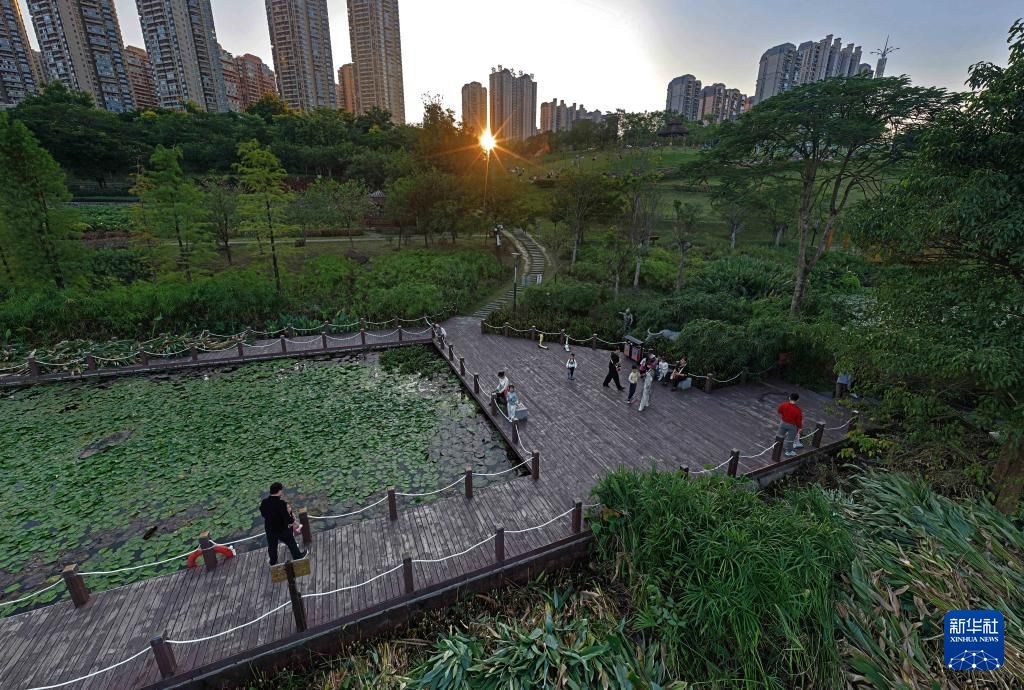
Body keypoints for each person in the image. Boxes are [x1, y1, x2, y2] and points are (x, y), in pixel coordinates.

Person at [260, 482, 306, 566]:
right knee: (291, 542)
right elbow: (288, 520)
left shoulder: (264, 502)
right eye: (281, 490)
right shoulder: (281, 503)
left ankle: (273, 562)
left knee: (272, 546)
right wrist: (293, 520)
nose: (282, 491)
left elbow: (263, 514)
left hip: (269, 529)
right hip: (281, 529)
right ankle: (298, 557)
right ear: (279, 491)